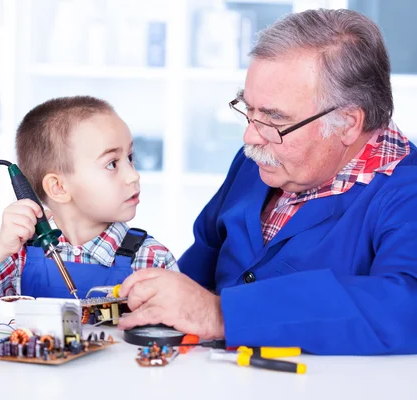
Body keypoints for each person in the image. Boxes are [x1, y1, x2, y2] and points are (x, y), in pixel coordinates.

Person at [118, 8, 417, 355]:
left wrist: (221, 314)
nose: (251, 135)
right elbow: (200, 264)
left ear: (348, 123)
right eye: (249, 110)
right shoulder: (260, 159)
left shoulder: (405, 192)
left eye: (274, 118)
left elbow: (404, 307)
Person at [0, 96, 178, 307]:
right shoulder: (20, 255)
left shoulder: (151, 259)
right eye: (112, 163)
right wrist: (0, 245)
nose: (134, 175)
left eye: (130, 157)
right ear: (58, 187)